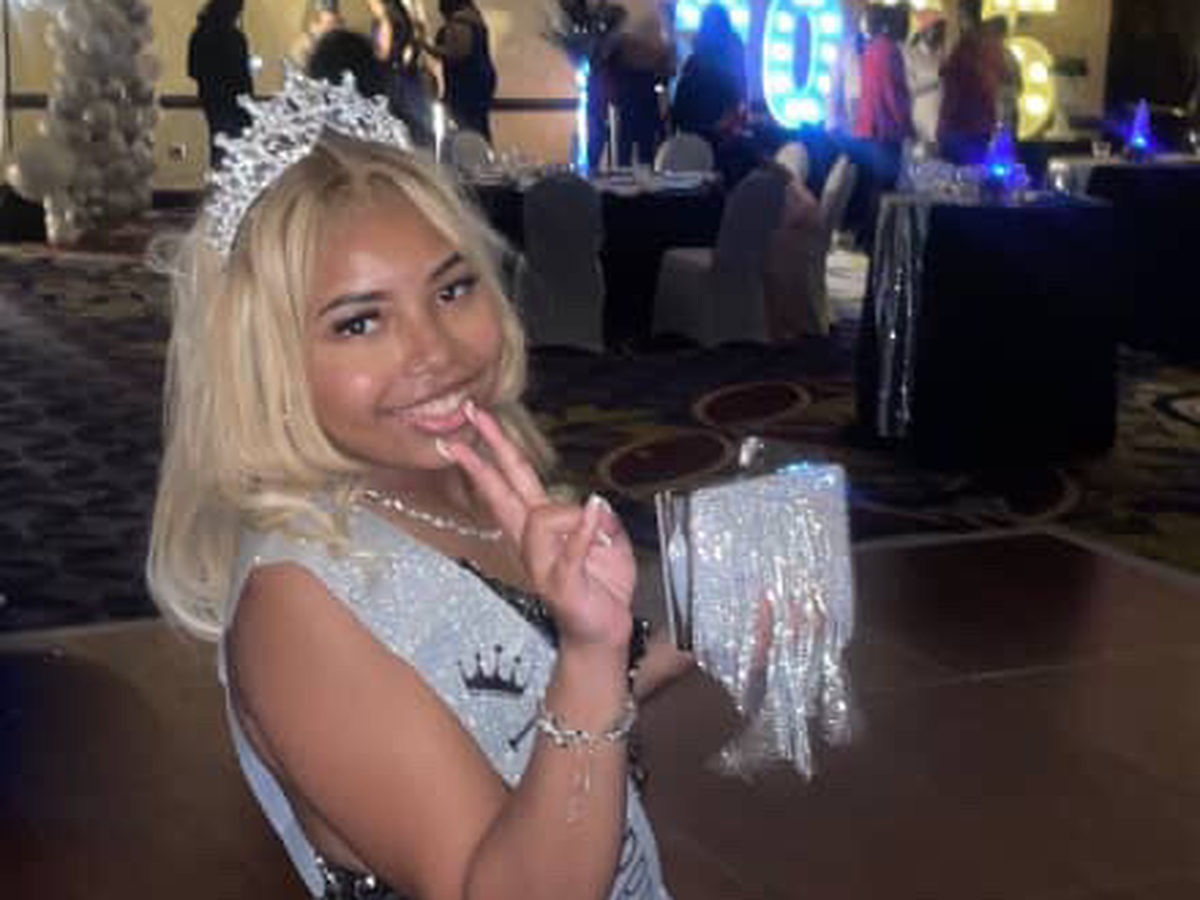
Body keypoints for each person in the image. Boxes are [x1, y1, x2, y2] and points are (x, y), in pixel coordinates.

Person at [146, 70, 691, 899]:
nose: (435, 349)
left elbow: (517, 707)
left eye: (452, 287)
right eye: (360, 322)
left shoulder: (464, 478)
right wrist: (589, 655)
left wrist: (699, 625)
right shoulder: (295, 602)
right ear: (267, 361)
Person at [670, 3, 755, 184]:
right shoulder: (733, 49)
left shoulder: (694, 61)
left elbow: (679, 109)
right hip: (721, 137)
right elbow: (739, 90)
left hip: (691, 138)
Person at [937, 0, 1021, 164]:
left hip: (960, 125)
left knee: (958, 175)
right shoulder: (996, 49)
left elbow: (952, 85)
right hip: (983, 125)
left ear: (965, 17)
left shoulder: (966, 46)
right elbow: (1011, 83)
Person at [187, 0, 254, 168]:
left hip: (211, 100)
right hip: (235, 105)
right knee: (238, 156)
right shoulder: (234, 38)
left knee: (218, 151)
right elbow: (242, 77)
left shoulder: (200, 33)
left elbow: (193, 70)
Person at [420, 0, 498, 141]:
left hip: (466, 83)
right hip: (480, 80)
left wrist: (426, 47)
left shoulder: (460, 23)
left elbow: (457, 53)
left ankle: (469, 152)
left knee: (465, 125)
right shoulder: (476, 21)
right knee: (479, 125)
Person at [368, 0, 437, 147]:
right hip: (409, 82)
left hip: (397, 84)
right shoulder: (400, 15)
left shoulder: (386, 19)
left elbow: (383, 53)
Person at [855, 4, 915, 146]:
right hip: (885, 129)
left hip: (867, 126)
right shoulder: (889, 50)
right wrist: (907, 126)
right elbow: (892, 92)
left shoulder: (869, 49)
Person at [904, 10, 947, 147]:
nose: (941, 34)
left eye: (943, 30)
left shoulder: (941, 55)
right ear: (924, 30)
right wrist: (937, 79)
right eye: (937, 28)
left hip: (942, 123)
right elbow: (909, 88)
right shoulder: (910, 54)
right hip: (921, 123)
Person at [291, 0, 345, 71]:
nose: (332, 27)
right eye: (329, 23)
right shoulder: (304, 42)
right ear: (316, 24)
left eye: (335, 23)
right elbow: (298, 66)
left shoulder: (341, 40)